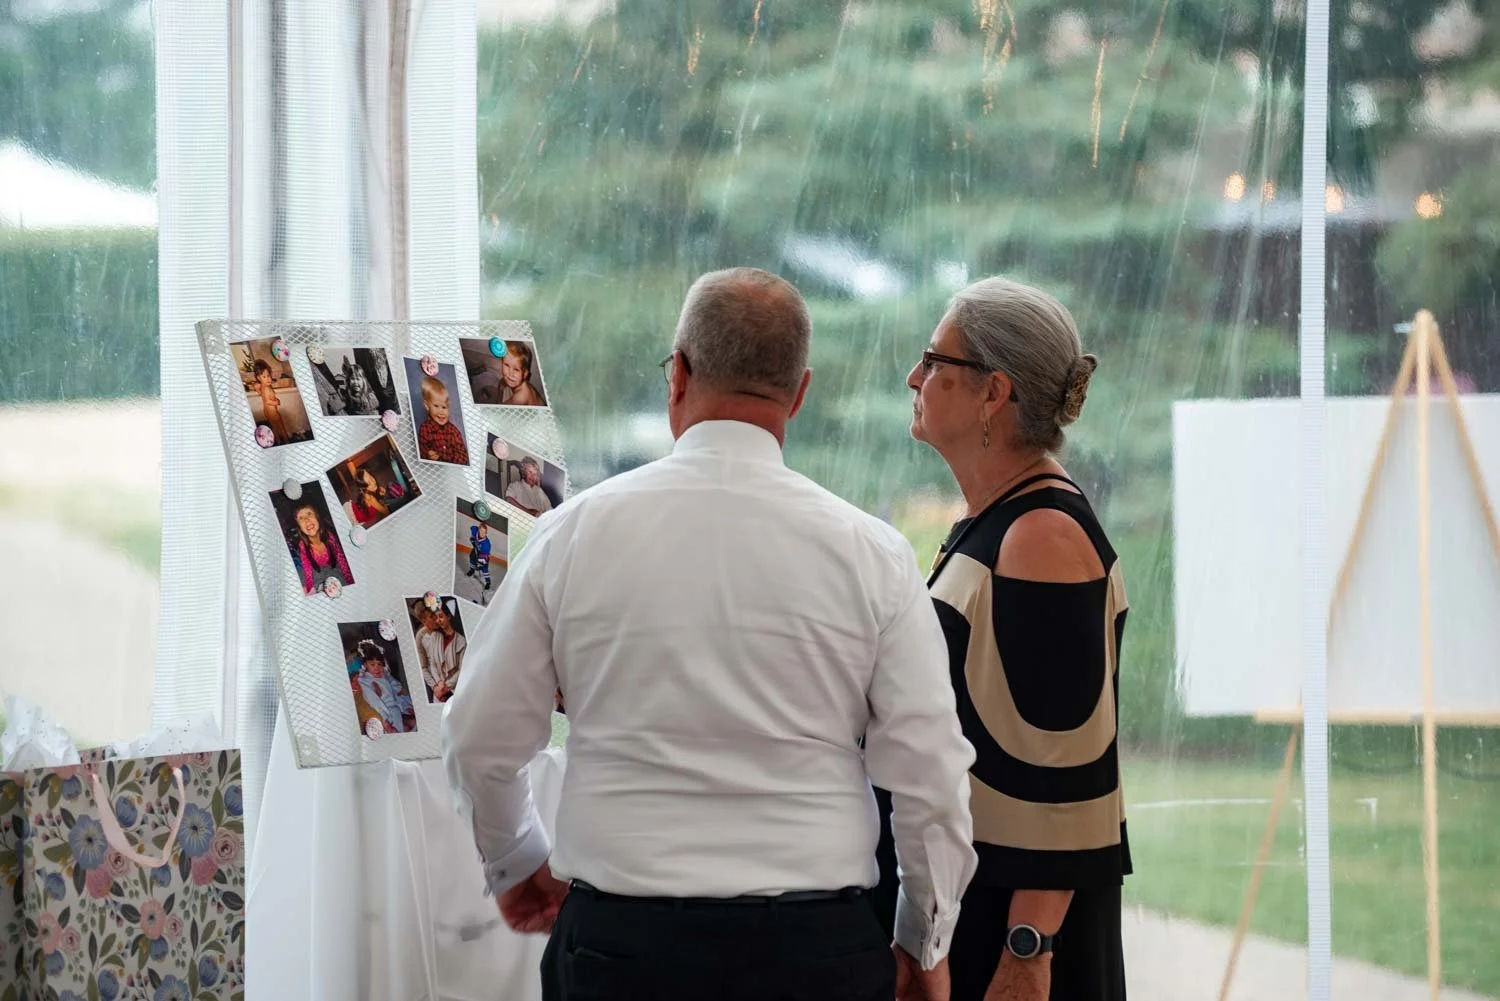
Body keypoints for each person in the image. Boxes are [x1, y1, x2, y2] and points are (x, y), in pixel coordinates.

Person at [443, 267, 977, 1001]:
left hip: (621, 953)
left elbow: (478, 733)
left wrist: (516, 857)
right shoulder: (874, 553)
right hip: (818, 956)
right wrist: (924, 939)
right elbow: (930, 774)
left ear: (680, 375)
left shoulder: (574, 535)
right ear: (798, 392)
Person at [874, 276, 1130, 1001]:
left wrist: (1029, 948)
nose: (913, 377)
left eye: (934, 360)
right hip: (978, 900)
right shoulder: (1003, 517)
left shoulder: (1041, 533)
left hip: (1016, 936)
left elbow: (1071, 762)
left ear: (993, 393)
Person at [289, 501, 354, 594]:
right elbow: (307, 570)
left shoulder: (330, 537)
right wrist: (309, 590)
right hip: (316, 570)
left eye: (309, 514)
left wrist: (351, 583)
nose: (307, 520)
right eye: (301, 518)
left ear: (317, 517)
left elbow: (342, 561)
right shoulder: (302, 545)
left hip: (333, 567)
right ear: (299, 527)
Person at [354, 639, 415, 734]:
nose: (377, 668)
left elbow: (397, 691)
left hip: (399, 710)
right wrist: (385, 722)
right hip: (388, 715)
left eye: (380, 664)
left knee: (415, 722)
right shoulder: (365, 680)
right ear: (365, 665)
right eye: (372, 664)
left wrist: (406, 705)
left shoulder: (385, 675)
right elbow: (374, 701)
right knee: (405, 731)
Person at [415, 597, 466, 702]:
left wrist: (446, 686)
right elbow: (425, 667)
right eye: (432, 617)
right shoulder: (421, 636)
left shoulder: (443, 632)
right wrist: (435, 687)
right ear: (423, 620)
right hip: (436, 685)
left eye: (437, 616)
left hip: (451, 683)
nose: (436, 620)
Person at [418, 375, 470, 465]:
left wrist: (447, 460)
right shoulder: (425, 430)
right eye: (436, 406)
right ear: (427, 406)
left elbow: (463, 456)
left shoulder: (453, 431)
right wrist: (428, 456)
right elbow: (420, 455)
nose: (441, 412)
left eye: (444, 407)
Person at [252, 359, 290, 443]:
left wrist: (256, 388)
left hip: (267, 412)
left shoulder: (262, 386)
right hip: (273, 413)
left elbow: (261, 394)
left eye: (268, 375)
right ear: (259, 378)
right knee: (281, 428)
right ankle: (287, 442)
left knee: (274, 428)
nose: (268, 379)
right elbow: (267, 401)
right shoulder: (266, 388)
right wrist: (277, 402)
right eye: (264, 377)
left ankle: (278, 442)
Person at [500, 341, 544, 406]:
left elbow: (501, 408)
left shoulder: (520, 398)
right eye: (507, 365)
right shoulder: (519, 382)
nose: (510, 373)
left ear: (525, 374)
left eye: (516, 369)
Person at [466, 521, 494, 593]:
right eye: (481, 531)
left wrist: (480, 563)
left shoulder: (486, 544)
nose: (482, 533)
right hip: (475, 551)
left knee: (484, 569)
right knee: (472, 559)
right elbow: (472, 528)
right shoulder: (475, 530)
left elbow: (485, 555)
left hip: (483, 556)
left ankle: (488, 582)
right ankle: (472, 570)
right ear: (478, 529)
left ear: (486, 533)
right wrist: (472, 539)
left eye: (484, 532)